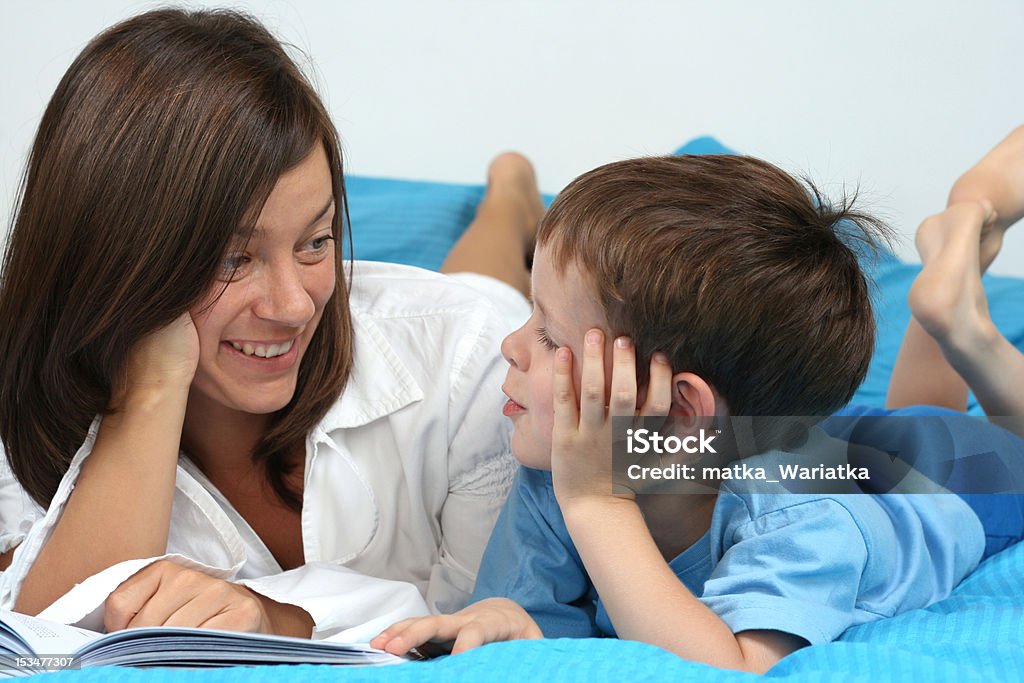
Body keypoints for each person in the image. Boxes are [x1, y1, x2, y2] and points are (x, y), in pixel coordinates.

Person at [0, 8, 541, 640]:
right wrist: (147, 394)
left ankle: (510, 195)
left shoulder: (466, 351)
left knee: (485, 284)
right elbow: (47, 647)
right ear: (119, 258)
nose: (294, 306)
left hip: (463, 309)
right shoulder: (24, 405)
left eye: (316, 241)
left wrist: (275, 619)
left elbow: (485, 625)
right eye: (234, 258)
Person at [370, 152, 1024, 672]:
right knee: (897, 415)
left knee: (991, 441)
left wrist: (599, 502)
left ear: (680, 409)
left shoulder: (803, 521)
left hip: (940, 486)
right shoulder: (564, 465)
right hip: (805, 444)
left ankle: (960, 323)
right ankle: (941, 299)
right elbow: (549, 622)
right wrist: (512, 620)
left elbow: (727, 668)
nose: (511, 345)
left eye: (548, 335)